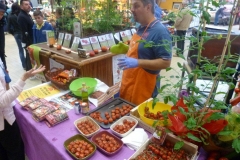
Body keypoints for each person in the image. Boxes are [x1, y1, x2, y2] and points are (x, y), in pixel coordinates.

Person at [117, 0, 172, 105]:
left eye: (136, 6)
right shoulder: (141, 27)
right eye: (132, 6)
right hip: (130, 83)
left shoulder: (160, 31)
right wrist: (127, 49)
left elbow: (166, 62)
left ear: (148, 8)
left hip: (144, 87)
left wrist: (138, 62)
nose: (132, 9)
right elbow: (144, 51)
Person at [0, 60, 46, 160]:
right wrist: (23, 78)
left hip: (5, 115)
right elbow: (2, 101)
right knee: (14, 150)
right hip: (3, 121)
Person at [7, 2, 26, 70]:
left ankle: (24, 65)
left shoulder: (10, 16)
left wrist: (14, 33)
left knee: (20, 50)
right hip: (23, 33)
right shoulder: (21, 14)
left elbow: (8, 28)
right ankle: (28, 64)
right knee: (26, 48)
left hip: (16, 34)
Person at [17, 0, 33, 71]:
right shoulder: (22, 16)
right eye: (26, 4)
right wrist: (29, 43)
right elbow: (24, 31)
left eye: (29, 4)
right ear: (21, 6)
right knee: (29, 56)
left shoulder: (26, 15)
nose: (28, 6)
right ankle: (29, 71)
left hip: (29, 39)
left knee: (30, 56)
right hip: (27, 41)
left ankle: (30, 70)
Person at [0, 2, 7, 69]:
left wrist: (5, 68)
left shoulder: (1, 26)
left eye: (1, 14)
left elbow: (2, 50)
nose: (0, 16)